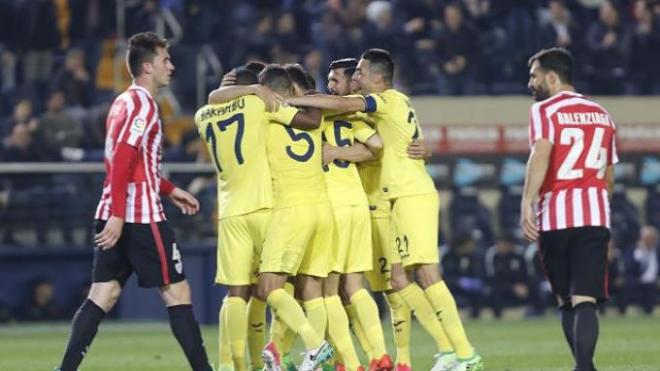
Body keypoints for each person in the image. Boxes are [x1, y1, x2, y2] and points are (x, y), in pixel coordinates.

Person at [286, 48, 482, 371]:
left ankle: (461, 352)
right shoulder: (384, 109)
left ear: (376, 77)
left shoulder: (383, 102)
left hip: (399, 198)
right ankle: (436, 351)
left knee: (413, 277)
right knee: (397, 279)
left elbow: (365, 132)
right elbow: (394, 141)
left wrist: (292, 102)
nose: (355, 79)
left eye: (359, 73)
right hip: (388, 199)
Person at [55, 32, 212, 371]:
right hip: (139, 214)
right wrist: (118, 216)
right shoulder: (143, 105)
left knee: (104, 293)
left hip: (116, 205)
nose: (171, 66)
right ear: (147, 67)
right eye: (165, 61)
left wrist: (169, 189)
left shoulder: (123, 101)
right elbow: (124, 159)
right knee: (176, 292)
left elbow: (133, 163)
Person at [194, 67, 323, 371]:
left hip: (229, 212)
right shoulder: (258, 103)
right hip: (265, 207)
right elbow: (308, 121)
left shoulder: (202, 116)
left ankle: (234, 365)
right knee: (278, 286)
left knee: (237, 293)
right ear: (253, 87)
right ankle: (313, 344)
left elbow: (215, 99)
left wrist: (227, 92)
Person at [521, 47, 618, 371]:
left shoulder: (545, 111)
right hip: (594, 216)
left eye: (534, 76)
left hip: (556, 216)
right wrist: (602, 210)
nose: (530, 83)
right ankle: (585, 367)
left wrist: (527, 201)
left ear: (552, 77)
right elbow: (608, 173)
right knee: (586, 299)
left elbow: (541, 154)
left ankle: (583, 367)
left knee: (566, 301)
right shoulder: (603, 114)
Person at [321, 58, 392, 371]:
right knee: (354, 286)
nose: (330, 85)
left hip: (332, 206)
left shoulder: (315, 114)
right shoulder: (355, 118)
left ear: (352, 83)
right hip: (357, 204)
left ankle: (347, 363)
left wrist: (333, 152)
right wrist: (342, 152)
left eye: (335, 79)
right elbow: (375, 146)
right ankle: (379, 354)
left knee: (326, 289)